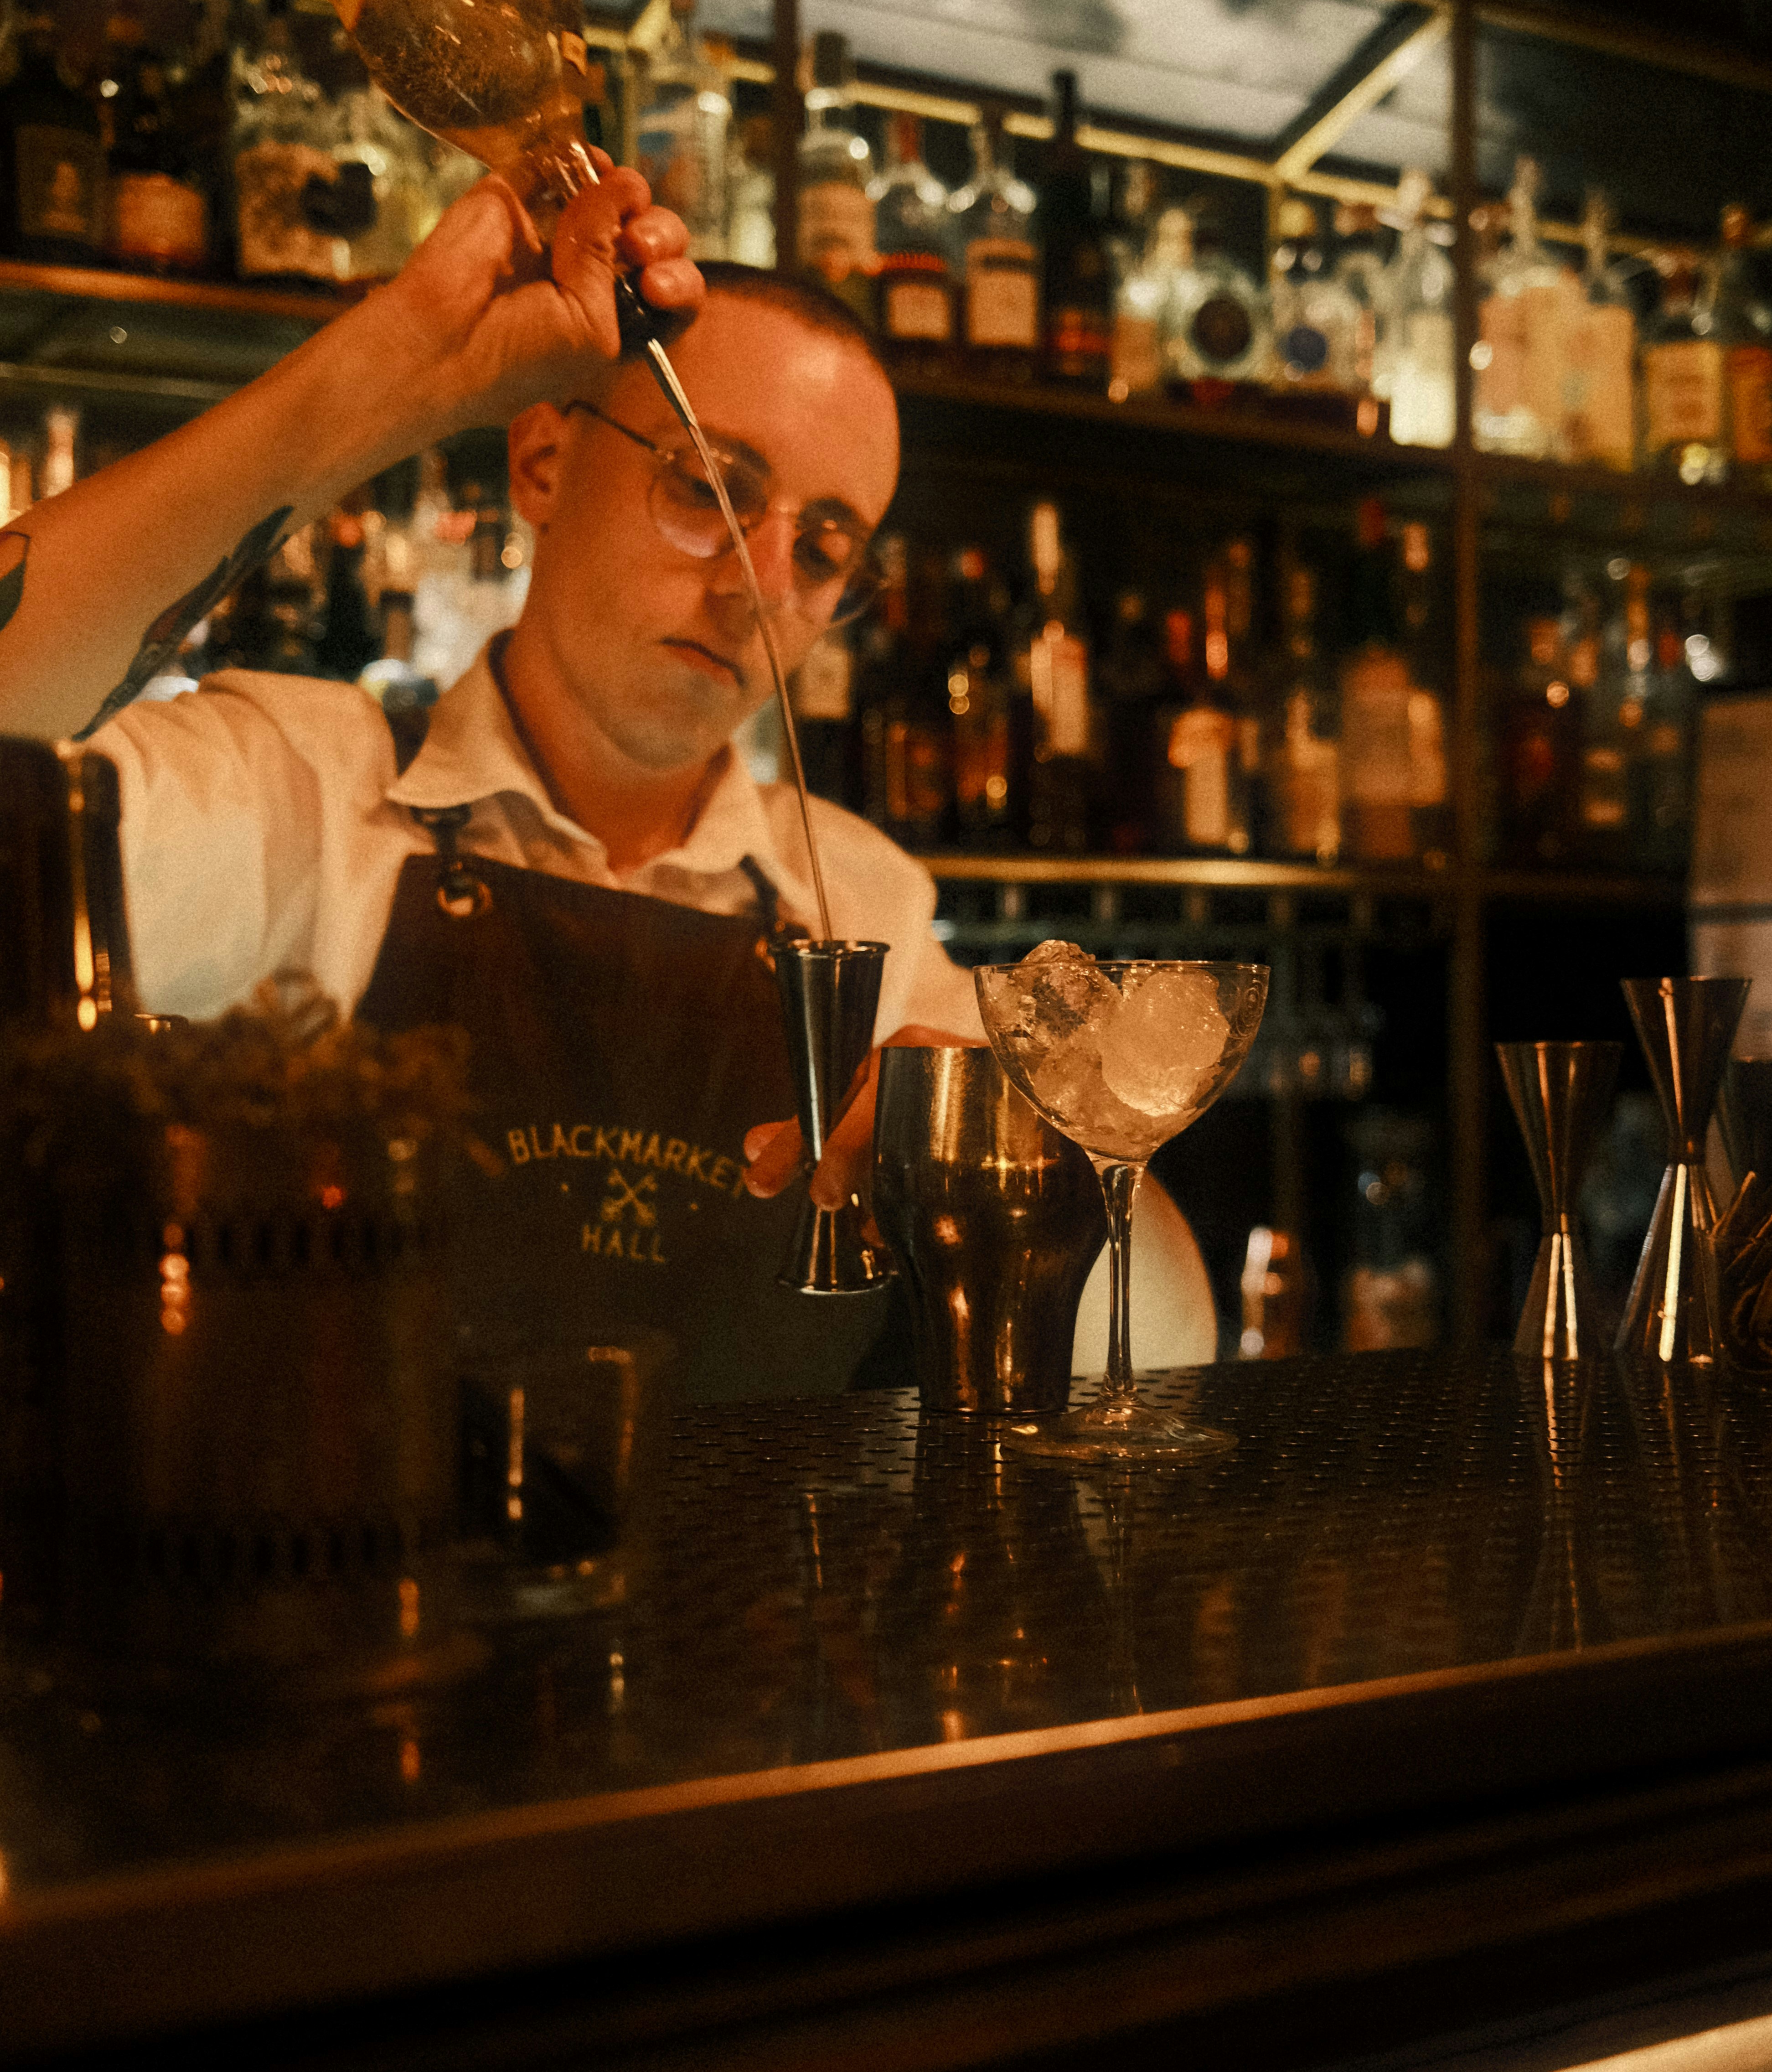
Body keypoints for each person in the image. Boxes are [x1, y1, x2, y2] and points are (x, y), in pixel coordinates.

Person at [0, 163, 1214, 1403]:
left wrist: (1054, 1154)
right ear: (538, 459)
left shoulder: (867, 907)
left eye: (827, 546)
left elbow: (1165, 1356)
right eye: (710, 488)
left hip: (756, 1598)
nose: (759, 582)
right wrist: (396, 380)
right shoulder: (295, 790)